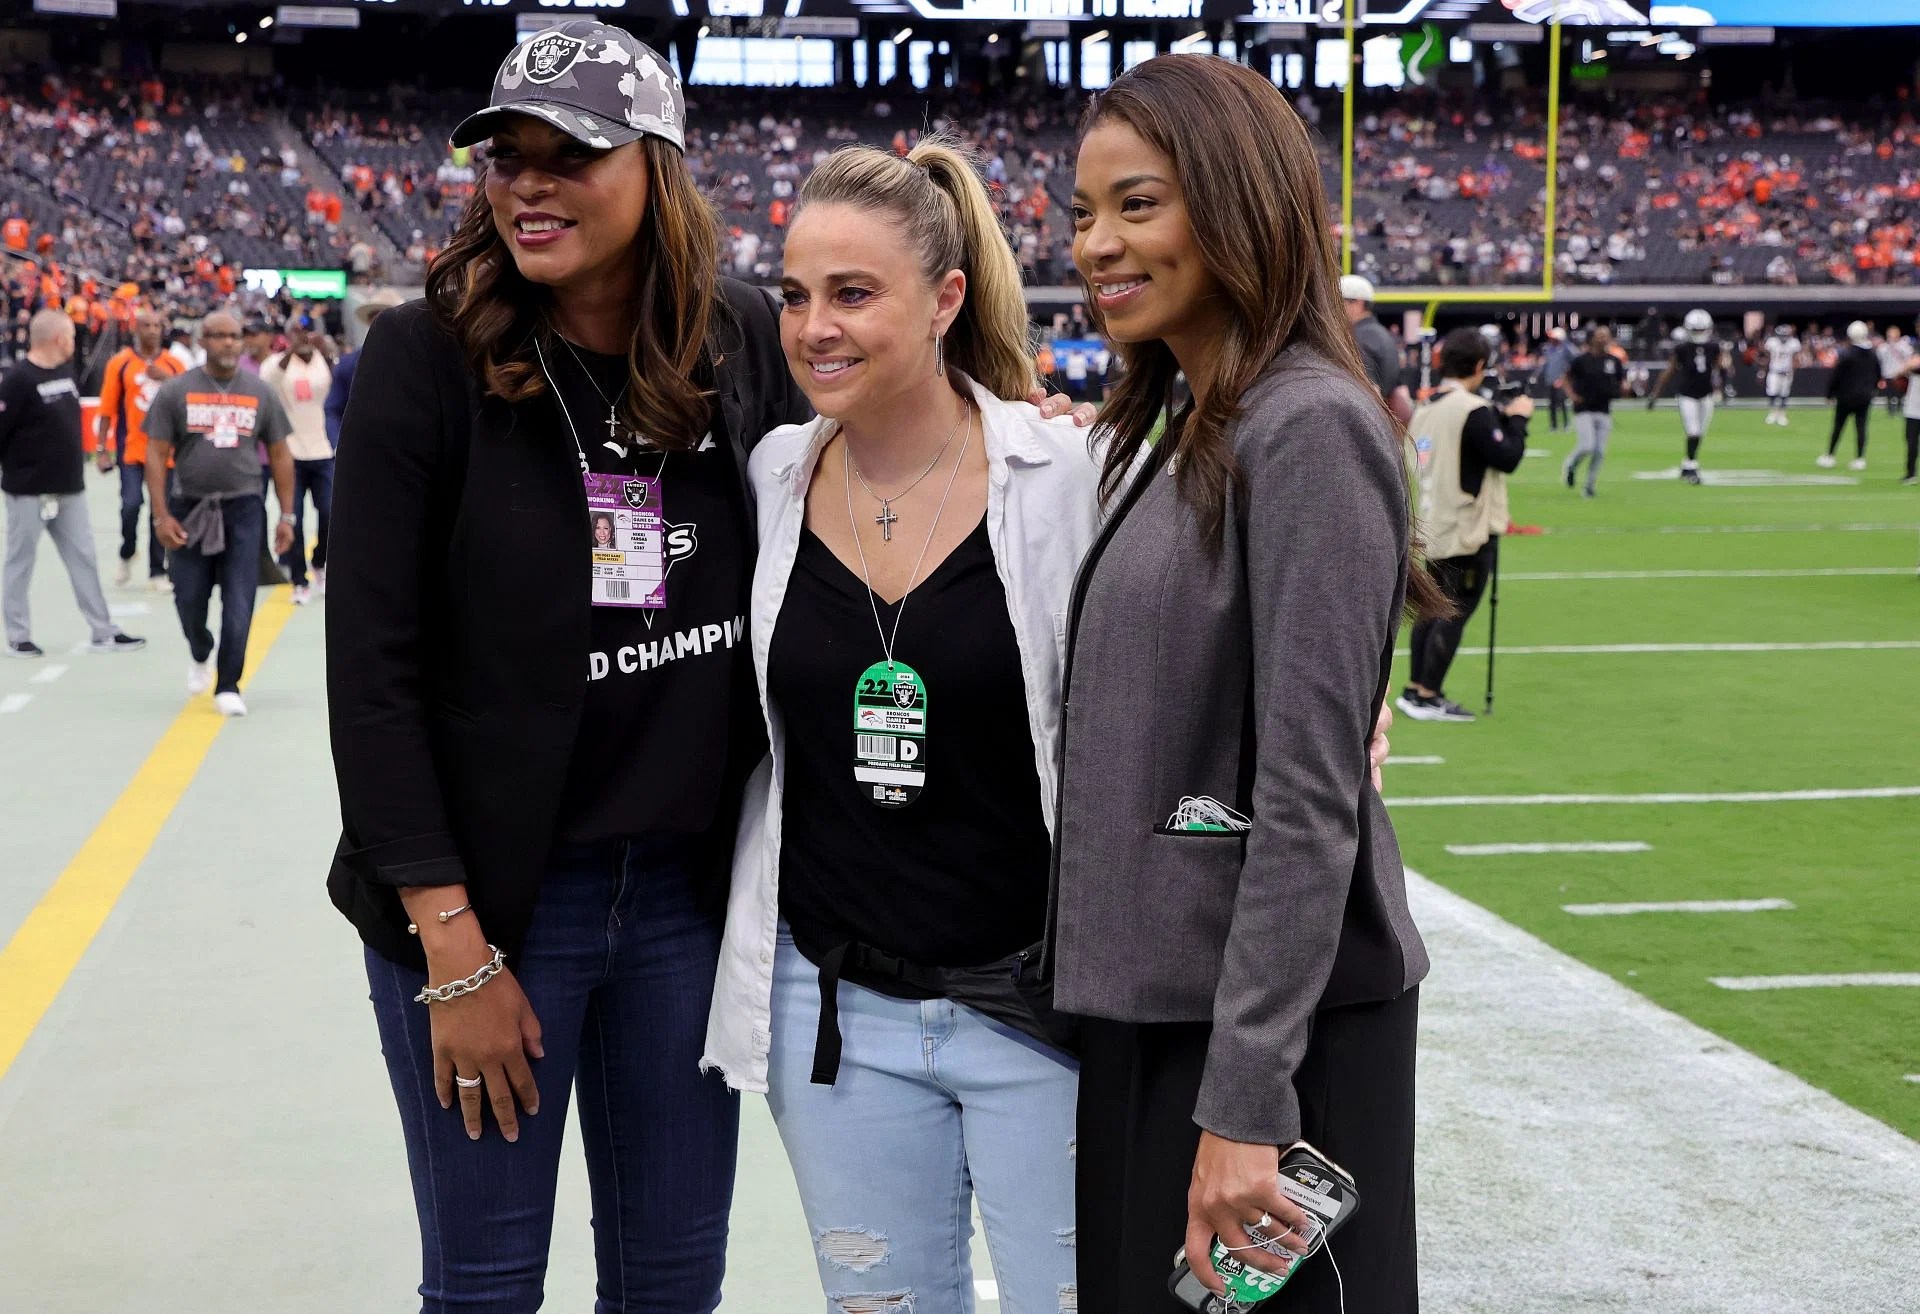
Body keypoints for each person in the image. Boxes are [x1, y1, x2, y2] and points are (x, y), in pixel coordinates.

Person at [324, 23, 1097, 1313]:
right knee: (486, 1280)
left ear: (657, 168)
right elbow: (373, 679)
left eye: (570, 152)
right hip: (494, 912)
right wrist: (451, 949)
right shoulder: (428, 361)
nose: (529, 183)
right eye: (506, 155)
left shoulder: (744, 337)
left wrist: (1033, 428)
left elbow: (907, 424)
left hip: (687, 903)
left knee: (676, 1280)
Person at [1059, 56, 1439, 1314]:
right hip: (1171, 1019)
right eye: (1082, 211)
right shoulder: (1198, 416)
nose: (1096, 243)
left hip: (1263, 1047)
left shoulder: (1307, 424)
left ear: (1235, 202)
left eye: (1137, 203)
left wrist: (1244, 1103)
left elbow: (1309, 796)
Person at [703, 139, 1091, 1314]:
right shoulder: (772, 475)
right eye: (798, 294)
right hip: (836, 1022)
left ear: (946, 299)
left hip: (1041, 1017)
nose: (815, 325)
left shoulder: (1065, 476)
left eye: (854, 293)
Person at [145, 311, 296, 717]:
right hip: (190, 506)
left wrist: (287, 515)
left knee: (240, 598)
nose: (229, 343)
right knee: (189, 596)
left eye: (235, 335)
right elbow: (156, 455)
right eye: (218, 336)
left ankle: (229, 683)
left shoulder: (260, 392)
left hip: (244, 506)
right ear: (203, 340)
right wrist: (161, 516)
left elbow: (280, 454)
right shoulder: (176, 391)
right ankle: (200, 649)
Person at [1399, 327, 1530, 724]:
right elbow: (1505, 457)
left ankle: (1415, 689)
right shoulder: (1472, 409)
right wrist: (1519, 420)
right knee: (1455, 610)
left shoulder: (1426, 406)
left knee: (1432, 607)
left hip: (1432, 518)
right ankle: (1429, 692)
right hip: (1466, 525)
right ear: (1478, 366)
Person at [0, 310, 147, 658]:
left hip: (69, 489)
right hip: (29, 490)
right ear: (56, 339)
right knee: (20, 562)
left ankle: (103, 630)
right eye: (69, 336)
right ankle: (18, 634)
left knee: (84, 559)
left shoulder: (66, 373)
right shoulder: (18, 379)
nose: (73, 343)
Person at [94, 307, 185, 590]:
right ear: (136, 329)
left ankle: (158, 570)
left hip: (167, 454)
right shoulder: (120, 363)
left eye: (157, 326)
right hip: (132, 451)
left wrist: (167, 380)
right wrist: (101, 449)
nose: (153, 331)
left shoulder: (173, 364)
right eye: (147, 325)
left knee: (162, 510)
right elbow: (108, 409)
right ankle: (127, 549)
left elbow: (188, 400)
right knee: (131, 505)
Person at [261, 312, 335, 604]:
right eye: (296, 332)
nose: (303, 337)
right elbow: (269, 379)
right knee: (294, 518)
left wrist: (325, 352)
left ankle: (319, 561)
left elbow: (335, 388)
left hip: (322, 449)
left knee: (329, 512)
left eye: (306, 332)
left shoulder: (322, 360)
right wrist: (291, 350)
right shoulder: (276, 363)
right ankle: (299, 580)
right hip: (290, 452)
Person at [1646, 308, 1725, 486]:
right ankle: (1691, 466)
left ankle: (1687, 464)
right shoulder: (1682, 348)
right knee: (1693, 431)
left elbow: (1721, 368)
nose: (1698, 333)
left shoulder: (1714, 347)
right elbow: (1669, 371)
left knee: (1700, 432)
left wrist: (1722, 387)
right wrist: (1655, 395)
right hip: (1687, 394)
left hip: (1706, 395)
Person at [324, 289, 404, 453]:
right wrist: (340, 446)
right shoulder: (349, 364)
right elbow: (333, 409)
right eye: (376, 320)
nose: (381, 327)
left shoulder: (417, 362)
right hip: (363, 454)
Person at [1341, 274, 1413, 424]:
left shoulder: (1358, 339)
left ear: (1358, 303)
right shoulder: (1384, 335)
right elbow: (1401, 395)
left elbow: (1371, 394)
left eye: (1339, 302)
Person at [1562, 327, 1622, 498]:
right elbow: (1565, 378)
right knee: (1587, 445)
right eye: (1600, 336)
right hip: (1583, 409)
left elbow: (1620, 383)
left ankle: (1589, 485)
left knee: (1600, 451)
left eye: (1606, 336)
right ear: (1593, 339)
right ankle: (1571, 465)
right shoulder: (1581, 360)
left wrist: (1625, 390)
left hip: (1604, 409)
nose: (1603, 339)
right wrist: (1572, 395)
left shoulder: (1614, 361)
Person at [1821, 321, 1880, 471]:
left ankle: (1830, 456)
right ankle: (1859, 458)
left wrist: (1830, 394)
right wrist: (1872, 389)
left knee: (1838, 426)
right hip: (1865, 396)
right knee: (1861, 427)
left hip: (1846, 396)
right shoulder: (1872, 354)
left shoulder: (1847, 354)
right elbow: (1878, 374)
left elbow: (1836, 375)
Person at [1762, 323, 1800, 426]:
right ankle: (1773, 413)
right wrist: (1763, 369)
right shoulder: (1772, 342)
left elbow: (1795, 358)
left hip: (1787, 372)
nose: (1783, 337)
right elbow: (1767, 355)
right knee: (1772, 392)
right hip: (1774, 371)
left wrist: (1793, 370)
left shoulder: (1793, 342)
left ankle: (1782, 414)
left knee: (1784, 394)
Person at [1540, 326, 1574, 431]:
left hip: (1561, 380)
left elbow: (1574, 362)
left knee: (1562, 403)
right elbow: (1546, 364)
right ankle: (1553, 425)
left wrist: (1564, 377)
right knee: (1552, 404)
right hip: (1550, 380)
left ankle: (1566, 424)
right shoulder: (1548, 349)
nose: (1551, 340)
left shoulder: (1566, 349)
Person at [1900, 352, 1920, 486]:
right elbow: (1900, 371)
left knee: (1912, 441)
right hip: (1913, 410)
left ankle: (1910, 474)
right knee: (1911, 442)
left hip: (1913, 410)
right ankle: (1910, 473)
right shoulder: (1914, 364)